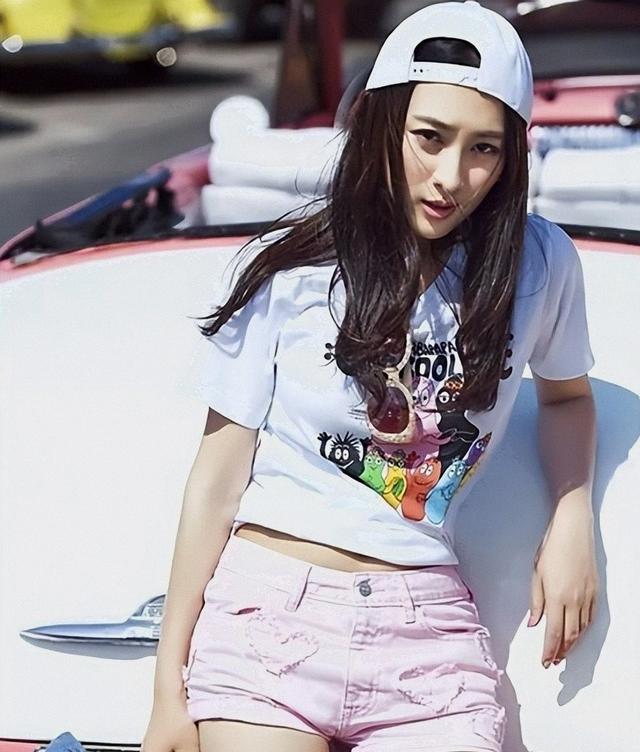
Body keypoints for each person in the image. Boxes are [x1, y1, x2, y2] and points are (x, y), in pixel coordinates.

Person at [141, 2, 599, 751]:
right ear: (383, 124)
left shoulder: (538, 265)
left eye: (484, 149)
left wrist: (572, 519)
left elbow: (568, 397)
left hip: (426, 632)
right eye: (429, 137)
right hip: (271, 616)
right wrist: (169, 688)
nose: (452, 177)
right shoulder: (290, 268)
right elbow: (217, 479)